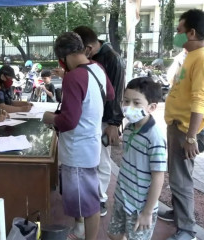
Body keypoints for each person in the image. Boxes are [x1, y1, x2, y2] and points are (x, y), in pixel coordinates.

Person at [42, 32, 114, 240]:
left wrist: (49, 118)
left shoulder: (74, 77)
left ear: (62, 57)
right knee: (85, 197)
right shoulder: (96, 68)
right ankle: (79, 230)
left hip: (77, 149)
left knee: (89, 203)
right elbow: (109, 94)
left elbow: (69, 121)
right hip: (91, 142)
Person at [161, 9, 204, 240]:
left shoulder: (203, 58)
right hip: (178, 126)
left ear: (191, 32)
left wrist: (192, 136)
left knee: (181, 178)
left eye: (179, 30)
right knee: (177, 175)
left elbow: (199, 99)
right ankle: (179, 214)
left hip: (186, 130)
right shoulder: (190, 55)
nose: (177, 34)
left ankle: (187, 230)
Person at [74, 25, 126, 217]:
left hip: (105, 120)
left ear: (87, 48)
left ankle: (100, 199)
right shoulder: (94, 57)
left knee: (102, 159)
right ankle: (92, 195)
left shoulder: (112, 59)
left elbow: (116, 93)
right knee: (92, 159)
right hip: (92, 118)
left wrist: (113, 124)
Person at [107, 77, 166, 240]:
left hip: (140, 206)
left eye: (136, 103)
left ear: (151, 107)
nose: (128, 107)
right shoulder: (129, 127)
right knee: (113, 234)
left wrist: (147, 212)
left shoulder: (155, 138)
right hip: (122, 197)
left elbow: (158, 177)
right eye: (126, 101)